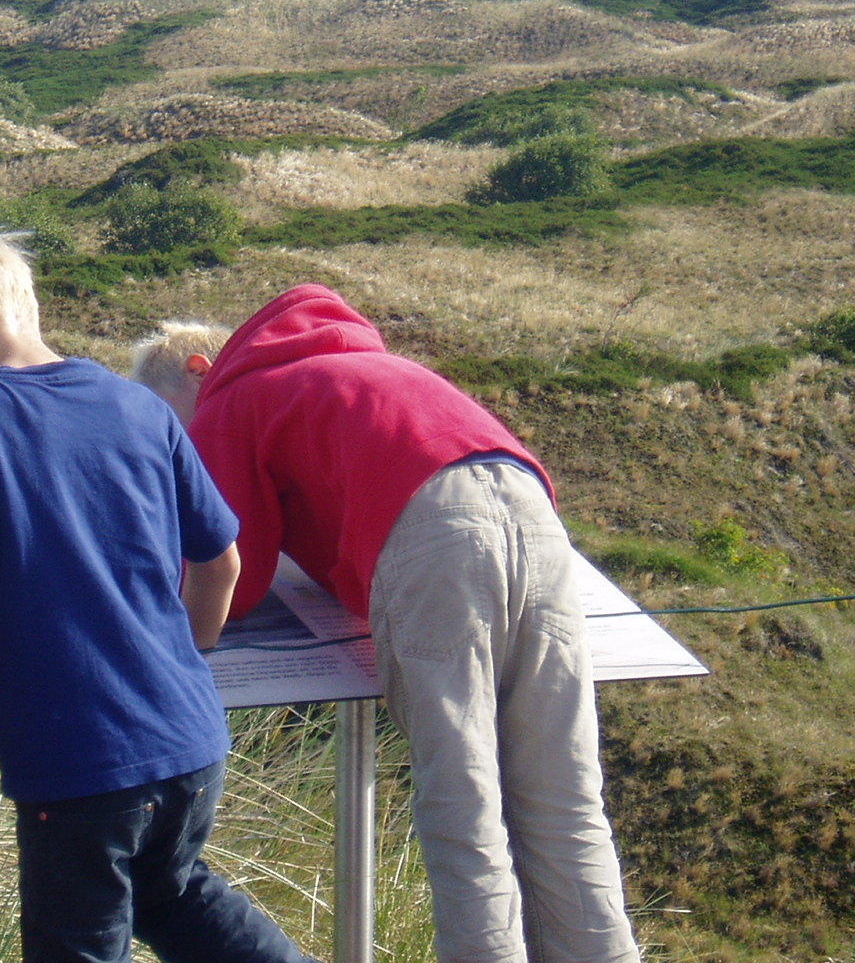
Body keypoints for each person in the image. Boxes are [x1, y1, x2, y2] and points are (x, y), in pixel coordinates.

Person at [131, 284, 643, 963]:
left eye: (174, 431)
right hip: (536, 517)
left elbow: (235, 575)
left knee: (466, 802)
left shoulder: (231, 396)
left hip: (433, 536)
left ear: (199, 371)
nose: (182, 455)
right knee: (566, 798)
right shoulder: (355, 365)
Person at [0, 216, 318, 963]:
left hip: (80, 764)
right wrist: (185, 659)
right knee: (176, 898)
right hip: (190, 738)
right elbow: (224, 565)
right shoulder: (136, 403)